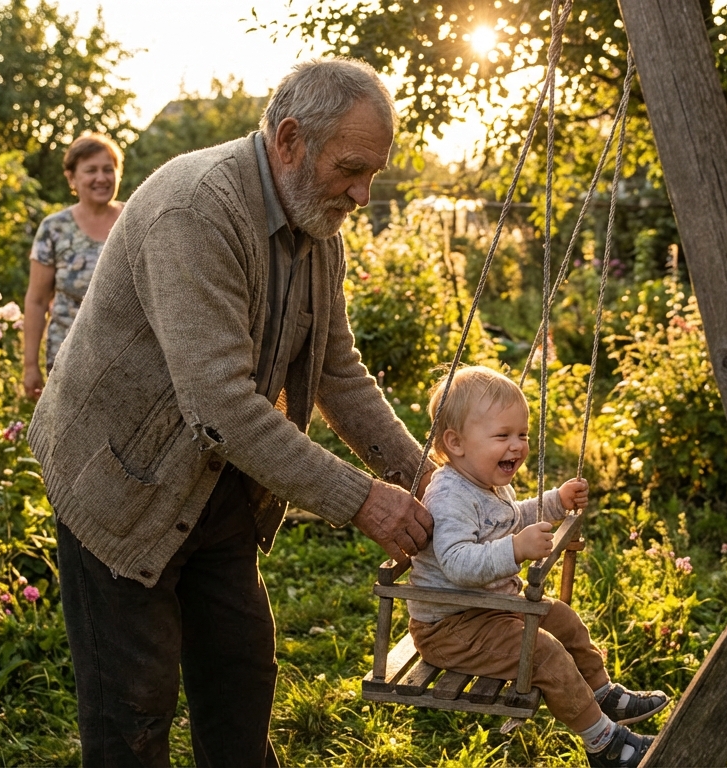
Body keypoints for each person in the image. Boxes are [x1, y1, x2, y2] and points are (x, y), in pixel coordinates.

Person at [26, 58, 436, 766]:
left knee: (241, 677)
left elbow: (338, 371)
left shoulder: (316, 229)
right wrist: (364, 500)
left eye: (374, 172)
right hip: (119, 484)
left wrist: (428, 482)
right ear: (288, 141)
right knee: (133, 709)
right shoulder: (198, 208)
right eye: (352, 168)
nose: (364, 194)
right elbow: (218, 402)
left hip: (218, 484)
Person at [407, 366, 668, 768]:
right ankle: (603, 744)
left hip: (489, 610)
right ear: (455, 443)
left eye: (522, 435)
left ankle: (602, 694)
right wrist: (514, 549)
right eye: (502, 436)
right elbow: (458, 563)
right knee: (542, 652)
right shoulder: (449, 496)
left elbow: (513, 516)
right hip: (451, 626)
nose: (517, 446)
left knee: (560, 619)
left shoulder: (488, 484)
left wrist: (555, 501)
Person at [22, 133, 124, 399]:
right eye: (91, 170)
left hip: (129, 358)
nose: (101, 178)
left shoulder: (133, 220)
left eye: (108, 169)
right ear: (72, 178)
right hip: (67, 358)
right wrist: (29, 366)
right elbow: (36, 301)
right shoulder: (54, 228)